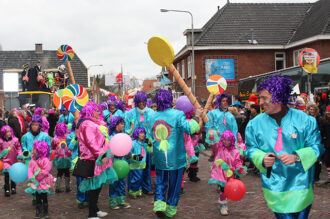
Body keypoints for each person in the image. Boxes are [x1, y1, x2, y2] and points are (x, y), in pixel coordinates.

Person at [245, 74, 324, 218]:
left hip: (301, 185)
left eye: (264, 97)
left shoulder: (305, 121)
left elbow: (317, 146)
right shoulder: (254, 124)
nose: (260, 102)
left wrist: (297, 157)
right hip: (274, 186)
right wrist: (261, 158)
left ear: (278, 96)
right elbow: (250, 148)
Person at [148, 90, 201, 218]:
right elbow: (189, 129)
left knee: (160, 181)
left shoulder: (152, 116)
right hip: (176, 157)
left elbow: (151, 135)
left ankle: (159, 204)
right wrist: (196, 117)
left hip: (160, 156)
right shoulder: (178, 114)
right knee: (175, 184)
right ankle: (171, 209)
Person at [76, 102, 117, 219]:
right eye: (96, 110)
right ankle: (92, 214)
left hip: (100, 158)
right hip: (94, 160)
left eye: (99, 110)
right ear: (89, 111)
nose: (99, 112)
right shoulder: (87, 124)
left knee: (98, 186)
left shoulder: (93, 123)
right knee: (94, 187)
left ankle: (96, 209)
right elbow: (91, 143)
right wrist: (102, 155)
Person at [208, 130, 247, 215]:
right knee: (223, 190)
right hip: (221, 173)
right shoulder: (219, 147)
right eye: (225, 139)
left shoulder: (236, 151)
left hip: (230, 174)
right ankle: (223, 205)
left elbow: (237, 162)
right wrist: (212, 135)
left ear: (232, 141)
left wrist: (240, 169)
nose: (226, 142)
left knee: (228, 190)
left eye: (229, 140)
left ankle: (224, 202)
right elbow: (213, 143)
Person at [125, 92, 154, 194]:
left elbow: (154, 129)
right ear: (136, 102)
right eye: (139, 102)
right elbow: (126, 129)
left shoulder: (151, 113)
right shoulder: (130, 113)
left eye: (143, 102)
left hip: (147, 145)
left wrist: (152, 142)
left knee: (146, 167)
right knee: (134, 168)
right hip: (135, 145)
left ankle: (146, 188)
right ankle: (134, 189)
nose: (141, 104)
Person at [25, 141, 55, 219]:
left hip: (44, 182)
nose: (33, 150)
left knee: (44, 197)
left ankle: (45, 211)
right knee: (37, 197)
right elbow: (30, 169)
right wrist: (31, 178)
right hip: (36, 183)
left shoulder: (45, 160)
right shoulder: (32, 160)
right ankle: (38, 211)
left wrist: (37, 178)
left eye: (34, 148)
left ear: (40, 150)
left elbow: (45, 171)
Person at [205, 93, 238, 162]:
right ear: (219, 102)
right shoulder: (212, 113)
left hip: (228, 143)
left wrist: (235, 143)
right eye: (223, 101)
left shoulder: (231, 116)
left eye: (226, 101)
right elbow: (208, 126)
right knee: (218, 163)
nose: (225, 103)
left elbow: (234, 130)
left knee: (227, 163)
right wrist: (213, 132)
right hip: (217, 142)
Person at [108, 116, 131, 210]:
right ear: (116, 125)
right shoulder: (111, 136)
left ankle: (121, 201)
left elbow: (126, 145)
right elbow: (108, 150)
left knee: (122, 181)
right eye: (121, 123)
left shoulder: (124, 135)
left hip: (123, 160)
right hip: (114, 161)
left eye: (123, 123)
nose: (123, 125)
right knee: (114, 181)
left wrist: (128, 153)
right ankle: (113, 202)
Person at [67, 123, 89, 209]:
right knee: (80, 182)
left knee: (87, 180)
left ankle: (87, 199)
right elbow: (71, 147)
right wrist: (76, 137)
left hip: (86, 161)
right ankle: (81, 200)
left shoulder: (87, 134)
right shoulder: (71, 136)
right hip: (77, 162)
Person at [0, 126, 23, 197]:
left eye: (10, 131)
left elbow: (19, 148)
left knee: (13, 174)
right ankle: (7, 189)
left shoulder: (15, 140)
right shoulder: (1, 141)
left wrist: (19, 156)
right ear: (3, 133)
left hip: (14, 159)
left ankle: (13, 187)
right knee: (6, 174)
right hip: (5, 160)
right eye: (7, 132)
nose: (9, 133)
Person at [127, 127, 148, 199]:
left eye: (144, 133)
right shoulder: (133, 143)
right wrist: (135, 157)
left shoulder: (144, 143)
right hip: (134, 165)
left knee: (140, 178)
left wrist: (150, 144)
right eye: (141, 133)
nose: (143, 135)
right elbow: (128, 154)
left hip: (142, 164)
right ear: (137, 134)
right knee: (136, 178)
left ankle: (138, 191)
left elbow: (149, 151)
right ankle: (132, 191)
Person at [52, 123, 72, 193]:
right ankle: (67, 187)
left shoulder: (55, 139)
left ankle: (57, 187)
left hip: (59, 158)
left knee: (59, 172)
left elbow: (53, 147)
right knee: (67, 172)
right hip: (67, 157)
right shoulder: (67, 137)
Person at [321, 105, 330, 187]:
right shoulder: (324, 121)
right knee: (327, 161)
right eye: (327, 111)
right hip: (327, 144)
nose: (328, 112)